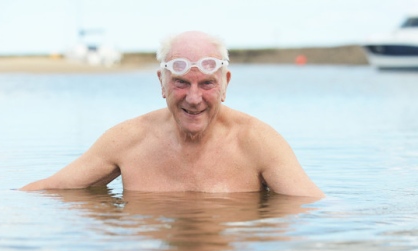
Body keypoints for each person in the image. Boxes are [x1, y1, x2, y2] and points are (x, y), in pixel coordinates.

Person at [20, 31, 324, 198]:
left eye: (207, 84)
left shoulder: (257, 141)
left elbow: (313, 206)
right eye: (181, 83)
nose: (194, 99)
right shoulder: (128, 139)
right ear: (162, 83)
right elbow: (53, 187)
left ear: (225, 84)